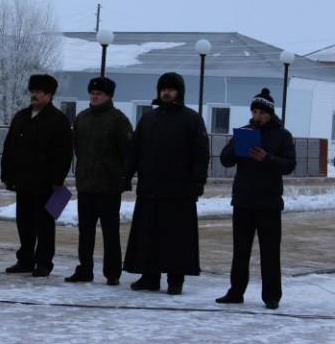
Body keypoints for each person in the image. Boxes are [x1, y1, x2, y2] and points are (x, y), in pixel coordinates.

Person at [122, 72, 210, 294]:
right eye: (163, 89)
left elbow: (201, 154)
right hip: (150, 188)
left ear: (179, 92)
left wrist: (198, 182)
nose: (166, 93)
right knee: (148, 235)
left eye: (171, 89)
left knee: (175, 238)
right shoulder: (148, 118)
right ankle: (149, 277)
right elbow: (134, 150)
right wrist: (126, 175)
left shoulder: (191, 119)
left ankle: (175, 280)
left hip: (179, 191)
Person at [216, 88, 296, 309]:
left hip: (269, 204)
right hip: (243, 201)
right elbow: (225, 160)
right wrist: (237, 147)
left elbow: (289, 165)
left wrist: (266, 158)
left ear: (270, 114)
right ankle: (236, 292)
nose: (257, 116)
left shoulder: (282, 135)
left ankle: (272, 296)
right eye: (254, 112)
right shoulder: (245, 132)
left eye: (261, 113)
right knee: (240, 251)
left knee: (270, 252)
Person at [1, 74, 73, 277]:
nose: (34, 95)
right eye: (32, 91)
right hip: (23, 181)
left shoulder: (58, 120)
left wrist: (57, 179)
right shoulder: (21, 116)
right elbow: (9, 146)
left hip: (45, 183)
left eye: (38, 92)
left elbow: (64, 153)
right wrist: (7, 173)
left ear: (49, 95)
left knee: (44, 224)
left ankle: (44, 262)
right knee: (24, 222)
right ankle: (25, 260)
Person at [65, 76, 132, 286]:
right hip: (86, 185)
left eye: (99, 94)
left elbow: (128, 150)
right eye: (92, 93)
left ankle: (112, 271)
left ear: (108, 96)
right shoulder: (82, 118)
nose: (94, 97)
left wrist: (124, 175)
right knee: (85, 231)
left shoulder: (118, 119)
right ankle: (85, 269)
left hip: (109, 186)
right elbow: (77, 147)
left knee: (110, 232)